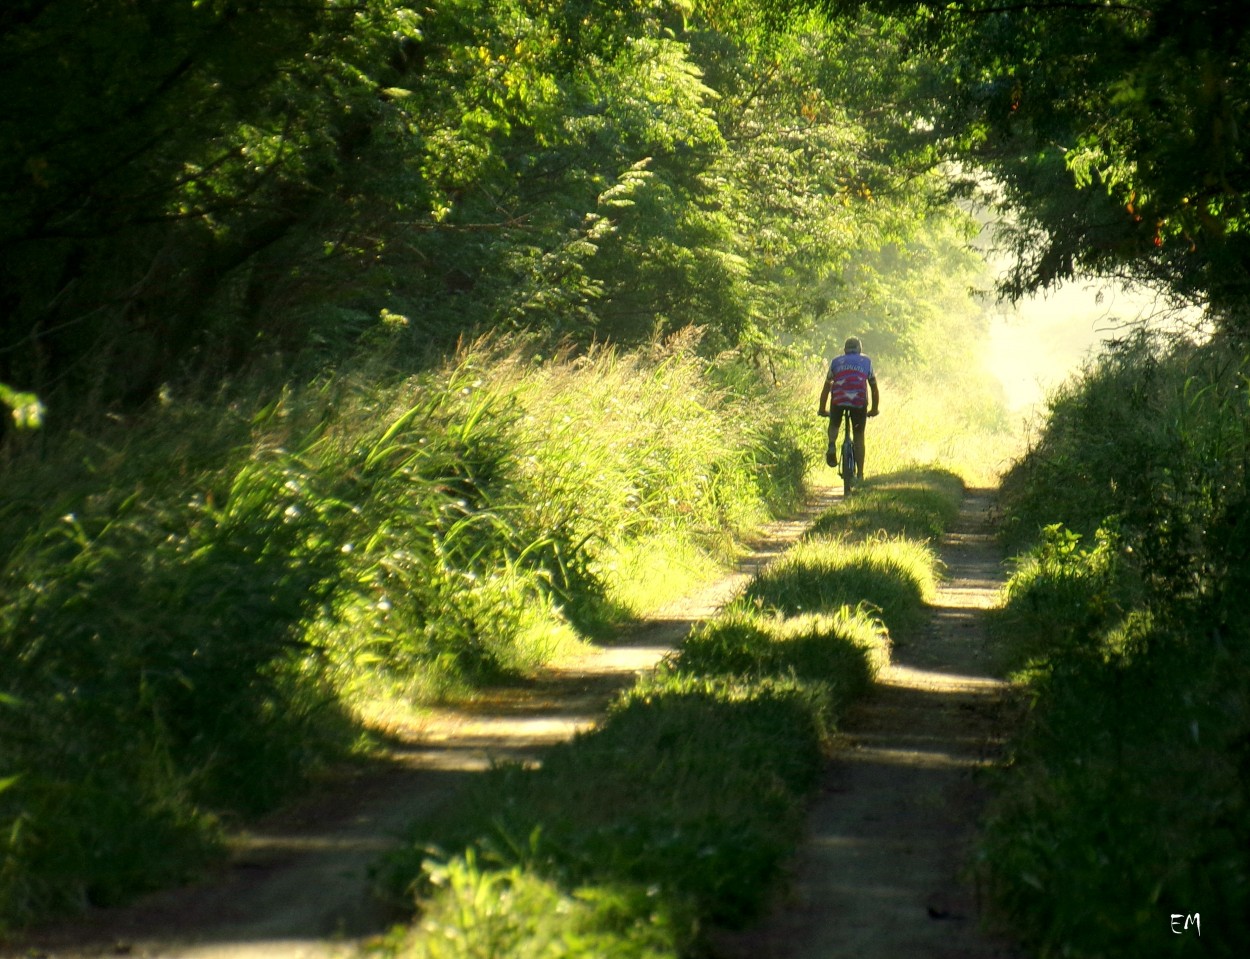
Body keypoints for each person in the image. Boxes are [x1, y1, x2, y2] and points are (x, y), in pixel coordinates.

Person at [818, 336, 879, 479]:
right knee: (858, 436)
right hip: (858, 401)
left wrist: (822, 409)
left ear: (844, 350)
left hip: (838, 400)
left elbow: (826, 388)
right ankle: (860, 475)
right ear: (859, 350)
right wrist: (874, 409)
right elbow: (874, 388)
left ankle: (832, 444)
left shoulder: (836, 362)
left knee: (834, 422)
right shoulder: (866, 362)